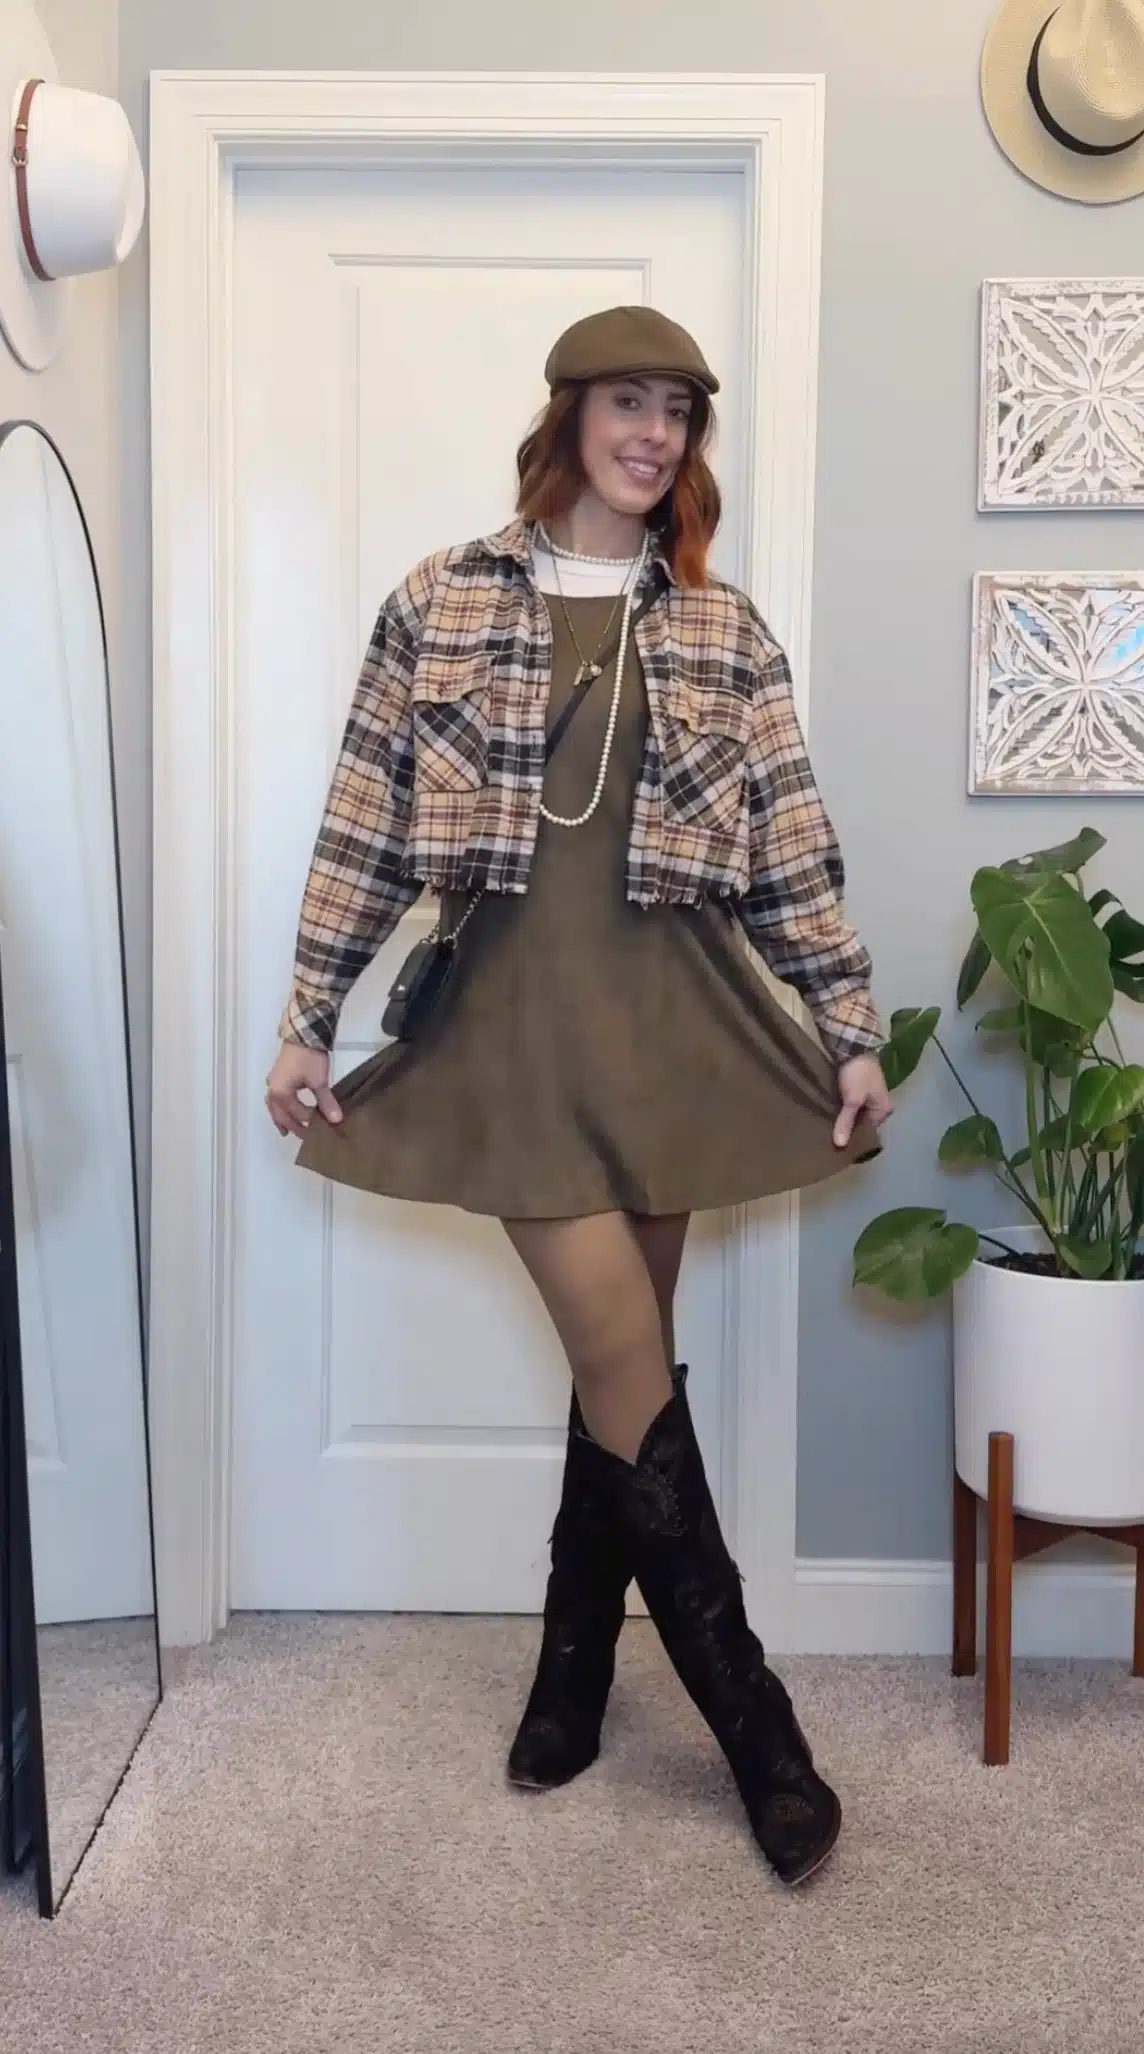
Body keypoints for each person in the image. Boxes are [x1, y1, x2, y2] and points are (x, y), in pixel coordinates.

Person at [265, 305, 892, 1889]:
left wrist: (850, 1027)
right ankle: (757, 1726)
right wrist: (307, 1015)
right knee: (622, 1355)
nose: (656, 434)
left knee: (625, 1379)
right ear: (568, 415)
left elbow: (791, 843)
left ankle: (572, 1671)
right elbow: (362, 821)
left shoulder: (726, 628)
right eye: (629, 402)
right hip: (514, 1032)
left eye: (679, 410)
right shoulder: (439, 598)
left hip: (676, 1026)